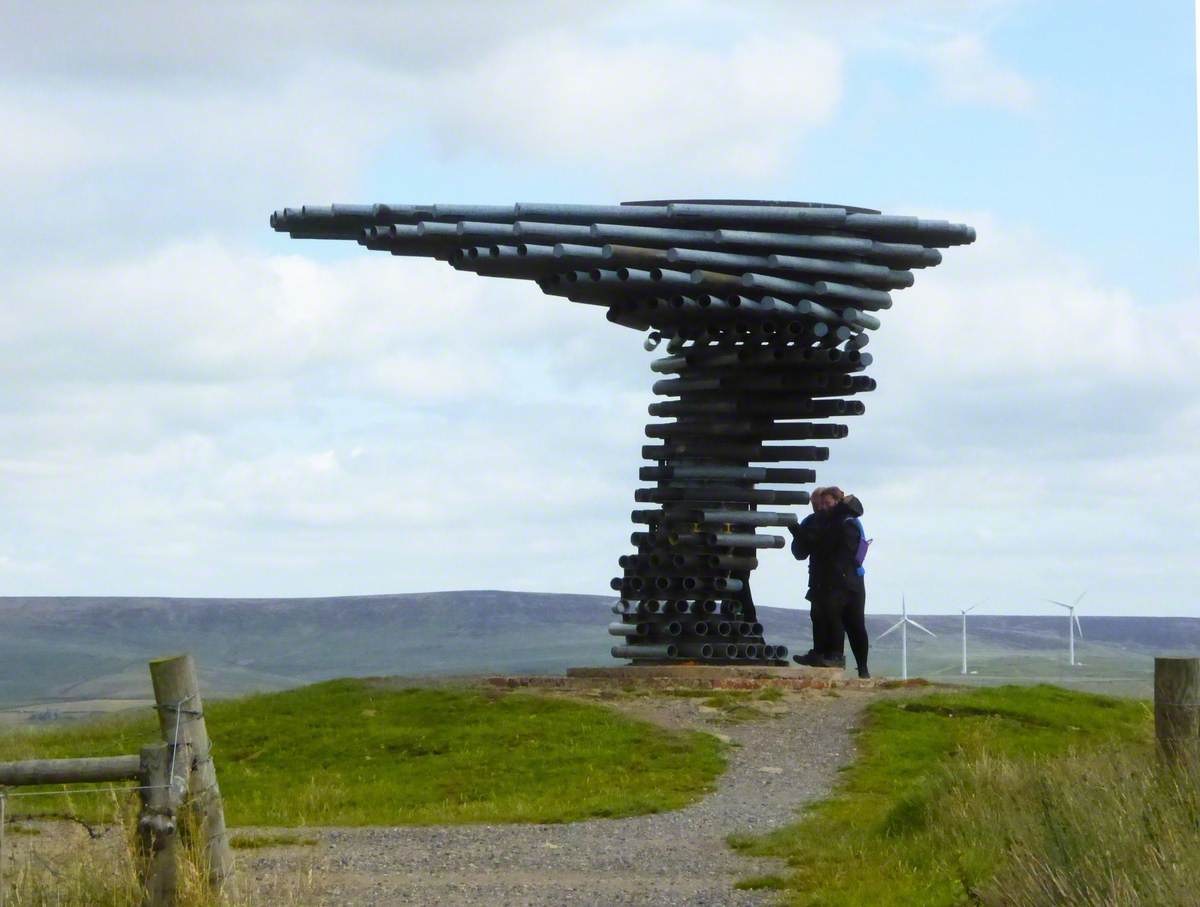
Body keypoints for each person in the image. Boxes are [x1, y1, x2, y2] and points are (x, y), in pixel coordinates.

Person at [789, 487, 871, 678]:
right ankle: (822, 657)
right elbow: (801, 552)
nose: (821, 508)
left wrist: (801, 534)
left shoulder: (845, 521)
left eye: (825, 503)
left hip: (846, 580)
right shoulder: (814, 522)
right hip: (823, 580)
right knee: (820, 617)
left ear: (836, 502)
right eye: (817, 504)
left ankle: (859, 667)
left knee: (851, 623)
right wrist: (799, 534)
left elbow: (836, 550)